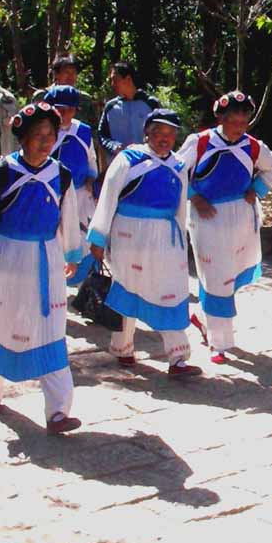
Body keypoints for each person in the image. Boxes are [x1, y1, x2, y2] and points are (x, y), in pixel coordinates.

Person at [0, 101, 82, 433]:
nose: (44, 141)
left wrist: (72, 256)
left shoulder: (62, 175)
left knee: (52, 331)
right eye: (37, 135)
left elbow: (68, 219)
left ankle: (58, 411)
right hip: (2, 261)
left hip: (46, 261)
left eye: (50, 135)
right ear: (22, 137)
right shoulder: (0, 172)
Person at [86, 108, 201, 378]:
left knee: (170, 291)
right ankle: (123, 347)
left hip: (166, 238)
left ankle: (178, 357)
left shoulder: (179, 166)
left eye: (170, 133)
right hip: (129, 236)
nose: (164, 138)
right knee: (128, 289)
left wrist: (182, 243)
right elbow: (108, 197)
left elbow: (180, 208)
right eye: (158, 132)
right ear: (147, 132)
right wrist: (98, 237)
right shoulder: (128, 159)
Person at [177, 91, 272, 363]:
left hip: (241, 218)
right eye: (233, 119)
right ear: (221, 118)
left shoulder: (253, 146)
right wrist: (193, 196)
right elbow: (175, 171)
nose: (238, 125)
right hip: (208, 217)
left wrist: (256, 189)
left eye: (244, 119)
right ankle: (219, 343)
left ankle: (201, 317)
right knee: (216, 275)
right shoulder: (200, 142)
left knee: (228, 276)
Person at [43, 85, 98, 286]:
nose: (66, 114)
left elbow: (91, 158)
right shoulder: (42, 130)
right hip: (51, 195)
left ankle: (79, 284)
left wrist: (92, 178)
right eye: (61, 109)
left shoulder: (82, 131)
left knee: (82, 240)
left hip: (80, 194)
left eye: (70, 109)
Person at [97, 62, 161, 165]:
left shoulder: (151, 104)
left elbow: (160, 133)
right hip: (119, 167)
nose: (112, 84)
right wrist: (113, 146)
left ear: (128, 79)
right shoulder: (110, 107)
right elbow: (102, 135)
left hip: (147, 166)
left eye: (115, 80)